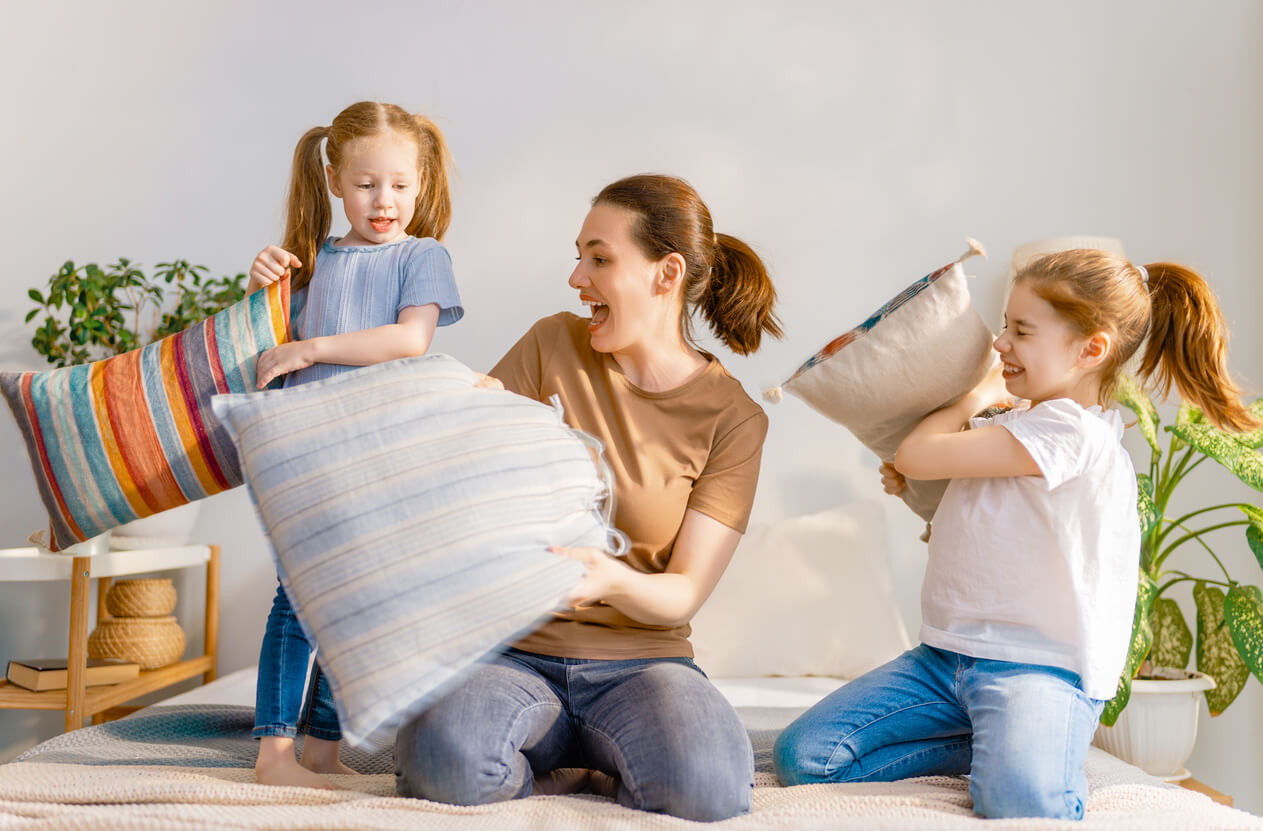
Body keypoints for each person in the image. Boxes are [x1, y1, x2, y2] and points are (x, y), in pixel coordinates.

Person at [773, 250, 1259, 820]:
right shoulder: (1019, 422)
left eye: (1022, 330)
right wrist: (921, 476)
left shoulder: (1071, 430)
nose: (1000, 343)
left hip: (1037, 666)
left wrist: (971, 397)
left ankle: (1029, 745)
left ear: (1091, 350)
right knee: (806, 757)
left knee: (1023, 802)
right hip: (944, 658)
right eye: (1004, 325)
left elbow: (917, 452)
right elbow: (967, 502)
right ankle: (992, 740)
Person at [393, 174, 782, 822]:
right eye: (578, 255)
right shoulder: (552, 344)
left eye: (599, 258)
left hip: (643, 666)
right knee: (442, 758)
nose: (577, 277)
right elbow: (464, 463)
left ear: (666, 274)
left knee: (708, 787)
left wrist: (607, 579)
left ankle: (599, 759)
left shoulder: (732, 418)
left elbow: (682, 592)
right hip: (513, 653)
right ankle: (561, 770)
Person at [246, 100, 464, 789]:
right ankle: (274, 753)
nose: (385, 200)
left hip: (381, 457)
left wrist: (310, 345)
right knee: (300, 599)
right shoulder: (307, 264)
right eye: (367, 184)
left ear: (421, 186)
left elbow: (410, 338)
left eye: (401, 184)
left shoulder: (423, 256)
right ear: (336, 180)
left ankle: (322, 749)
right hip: (304, 453)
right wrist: (259, 292)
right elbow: (259, 352)